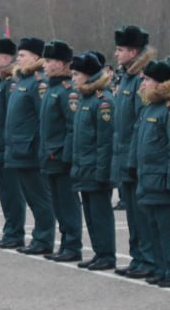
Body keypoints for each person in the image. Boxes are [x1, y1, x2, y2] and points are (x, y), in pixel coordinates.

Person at [131, 60, 170, 287]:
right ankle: (162, 268)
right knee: (154, 228)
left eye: (147, 80)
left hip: (163, 182)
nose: (142, 84)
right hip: (148, 180)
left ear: (160, 83)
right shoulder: (149, 108)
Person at [110, 25, 155, 278]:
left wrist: (134, 158)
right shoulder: (126, 77)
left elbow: (140, 121)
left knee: (141, 214)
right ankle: (138, 257)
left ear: (134, 51)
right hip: (123, 154)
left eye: (120, 49)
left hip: (134, 157)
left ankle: (148, 259)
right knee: (131, 215)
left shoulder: (141, 79)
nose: (116, 54)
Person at [5, 37, 56, 254]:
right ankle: (37, 238)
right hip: (19, 150)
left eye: (23, 55)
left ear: (36, 57)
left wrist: (38, 147)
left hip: (31, 150)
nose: (18, 59)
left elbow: (42, 118)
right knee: (31, 198)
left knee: (40, 198)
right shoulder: (21, 81)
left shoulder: (38, 82)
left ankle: (44, 239)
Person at [68, 52, 116, 271]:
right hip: (84, 167)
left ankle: (107, 254)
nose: (73, 78)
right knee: (90, 214)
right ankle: (99, 252)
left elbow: (105, 142)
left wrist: (102, 172)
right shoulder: (84, 98)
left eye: (76, 74)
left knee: (101, 214)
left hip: (96, 169)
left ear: (88, 75)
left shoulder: (102, 100)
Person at [39, 40, 83, 262]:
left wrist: (65, 155)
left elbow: (71, 126)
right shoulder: (51, 88)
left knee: (68, 203)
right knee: (57, 203)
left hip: (61, 158)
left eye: (49, 61)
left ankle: (73, 244)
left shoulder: (67, 91)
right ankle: (65, 242)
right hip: (50, 156)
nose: (44, 65)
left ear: (62, 64)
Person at [0, 38, 26, 248]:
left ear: (7, 58)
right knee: (5, 193)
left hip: (6, 145)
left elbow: (11, 118)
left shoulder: (10, 83)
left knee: (12, 193)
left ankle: (15, 232)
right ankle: (10, 231)